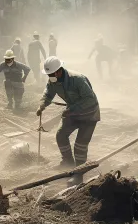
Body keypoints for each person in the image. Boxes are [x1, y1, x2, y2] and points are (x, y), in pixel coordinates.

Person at [37, 56, 100, 184]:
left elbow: (90, 100)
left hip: (89, 115)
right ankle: (67, 162)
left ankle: (79, 174)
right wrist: (42, 104)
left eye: (51, 74)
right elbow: (48, 93)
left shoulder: (77, 80)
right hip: (72, 113)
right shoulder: (53, 81)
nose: (49, 77)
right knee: (61, 136)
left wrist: (72, 109)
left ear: (59, 71)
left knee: (80, 146)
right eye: (48, 74)